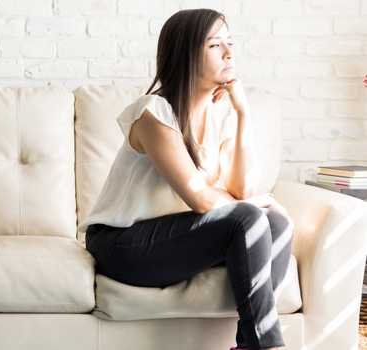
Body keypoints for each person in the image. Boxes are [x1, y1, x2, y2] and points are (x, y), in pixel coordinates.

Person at [78, 9, 293, 350]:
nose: (228, 52)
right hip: (122, 244)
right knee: (253, 214)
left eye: (230, 42)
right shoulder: (153, 112)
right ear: (187, 54)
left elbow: (241, 189)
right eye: (214, 45)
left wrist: (242, 113)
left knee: (276, 225)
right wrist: (254, 203)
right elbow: (202, 200)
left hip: (177, 238)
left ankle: (249, 344)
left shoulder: (221, 114)